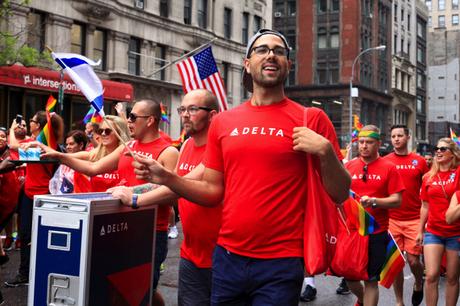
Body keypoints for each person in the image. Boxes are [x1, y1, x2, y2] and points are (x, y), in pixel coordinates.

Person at [128, 29, 350, 305]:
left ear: (288, 65)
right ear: (247, 63)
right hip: (227, 259)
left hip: (281, 263)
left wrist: (326, 152)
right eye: (262, 50)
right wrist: (167, 178)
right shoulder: (223, 122)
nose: (271, 54)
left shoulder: (311, 118)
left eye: (279, 51)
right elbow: (211, 190)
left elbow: (341, 193)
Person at [41, 101, 178, 306]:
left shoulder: (169, 152)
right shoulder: (128, 146)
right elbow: (93, 167)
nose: (129, 121)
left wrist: (133, 194)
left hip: (150, 231)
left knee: (141, 293)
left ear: (150, 120)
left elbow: (174, 192)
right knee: (118, 289)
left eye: (133, 117)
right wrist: (61, 157)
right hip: (121, 227)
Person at [110, 89, 221, 306]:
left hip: (220, 256)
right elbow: (173, 182)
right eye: (183, 109)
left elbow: (175, 186)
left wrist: (135, 199)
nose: (185, 115)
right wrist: (135, 189)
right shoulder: (187, 145)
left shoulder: (219, 148)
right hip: (190, 254)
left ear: (212, 115)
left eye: (193, 109)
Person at [344, 125, 405, 306]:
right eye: (361, 142)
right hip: (352, 231)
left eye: (369, 142)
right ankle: (363, 300)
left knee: (370, 280)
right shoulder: (348, 166)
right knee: (349, 277)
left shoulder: (389, 168)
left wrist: (374, 201)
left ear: (378, 143)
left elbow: (397, 200)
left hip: (376, 231)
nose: (364, 146)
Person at [5, 111, 64, 287]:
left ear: (38, 125)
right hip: (29, 196)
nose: (29, 123)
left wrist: (12, 128)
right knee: (24, 234)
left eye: (31, 121)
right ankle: (25, 273)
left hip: (44, 196)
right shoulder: (36, 142)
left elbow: (13, 144)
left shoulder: (43, 143)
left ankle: (41, 272)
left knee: (40, 237)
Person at [383, 125, 428, 306]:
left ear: (408, 137)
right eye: (393, 136)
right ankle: (399, 302)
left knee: (413, 261)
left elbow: (428, 189)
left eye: (400, 135)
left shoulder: (419, 161)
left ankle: (418, 283)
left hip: (414, 219)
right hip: (391, 219)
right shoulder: (385, 161)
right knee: (396, 264)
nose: (396, 139)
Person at [417, 138, 460, 306]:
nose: (438, 151)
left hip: (456, 232)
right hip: (433, 232)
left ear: (452, 154)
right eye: (437, 148)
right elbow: (425, 206)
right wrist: (420, 230)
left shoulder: (458, 173)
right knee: (431, 275)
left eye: (443, 149)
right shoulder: (428, 177)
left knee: (452, 277)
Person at [49, 130, 87, 194]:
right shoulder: (64, 162)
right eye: (66, 144)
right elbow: (57, 183)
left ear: (81, 145)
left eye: (71, 144)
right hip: (64, 200)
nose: (67, 147)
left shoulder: (87, 163)